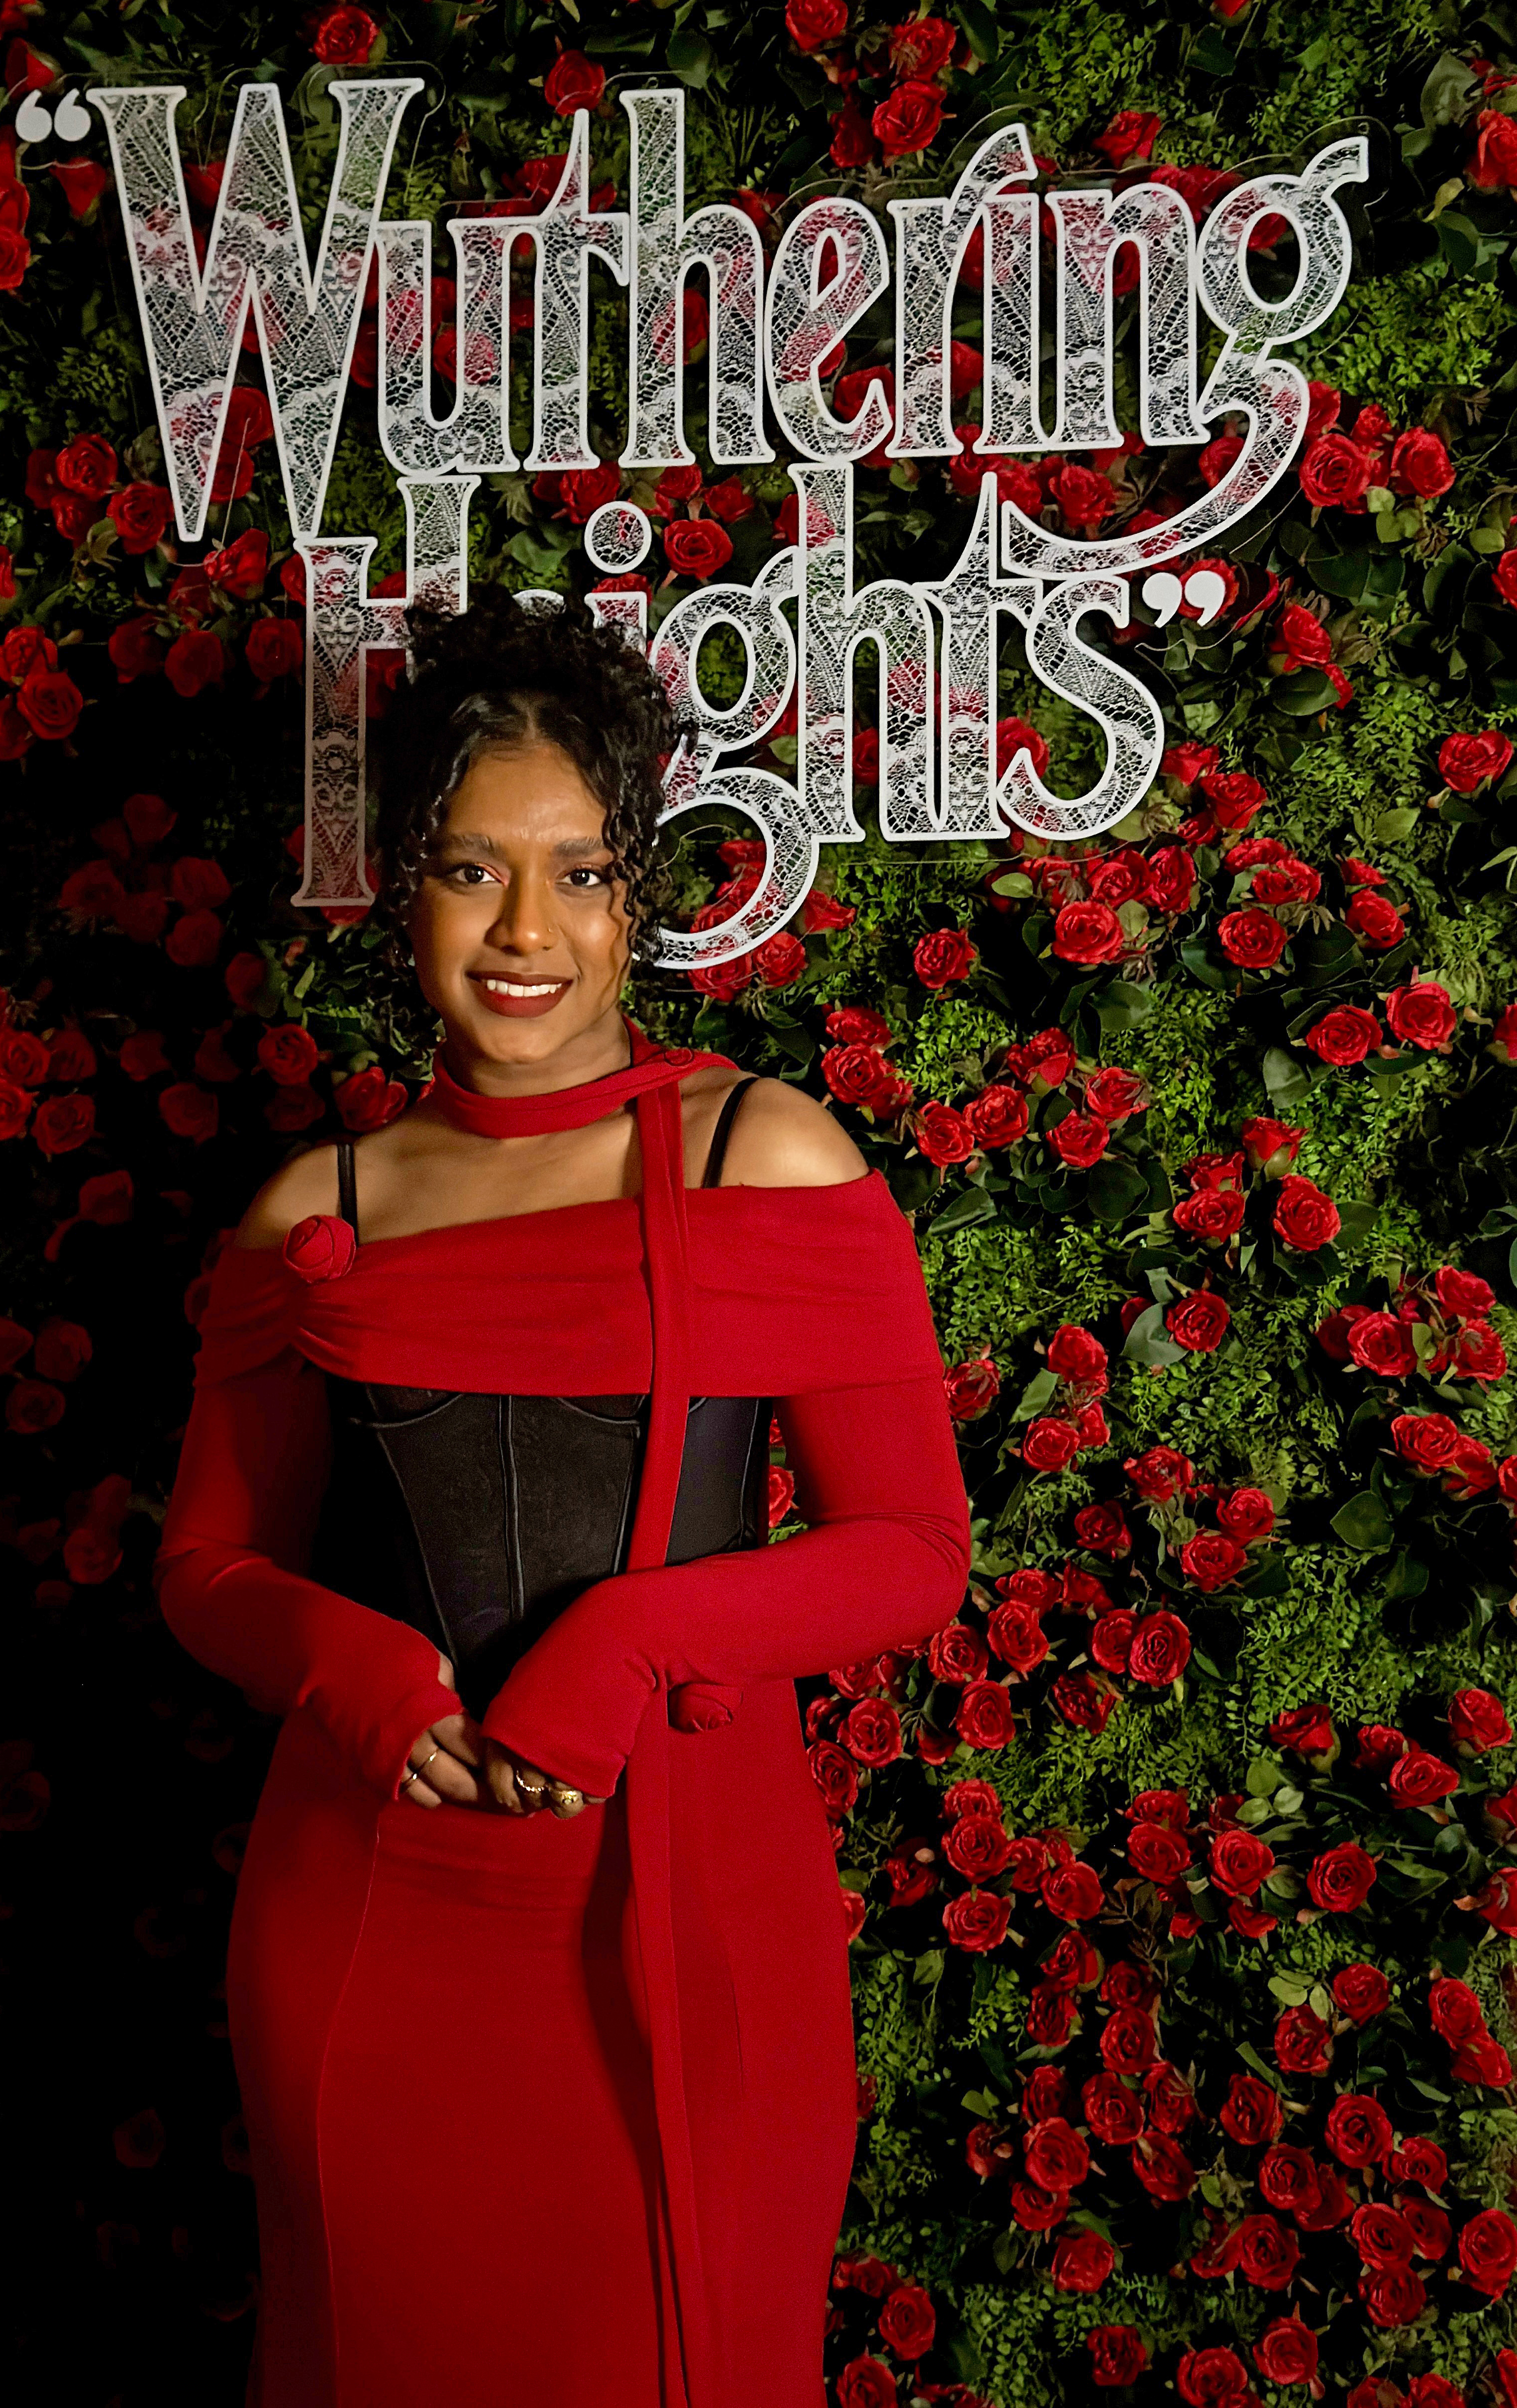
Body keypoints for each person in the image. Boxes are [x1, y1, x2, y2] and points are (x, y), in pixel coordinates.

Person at [156, 587, 972, 2408]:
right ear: (405, 891)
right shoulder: (317, 1206)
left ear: (636, 898)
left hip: (689, 1914)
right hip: (369, 1915)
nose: (528, 932)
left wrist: (627, 1647)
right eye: (473, 870)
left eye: (582, 876)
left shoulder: (767, 1150)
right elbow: (206, 1566)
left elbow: (913, 1551)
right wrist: (362, 1681)